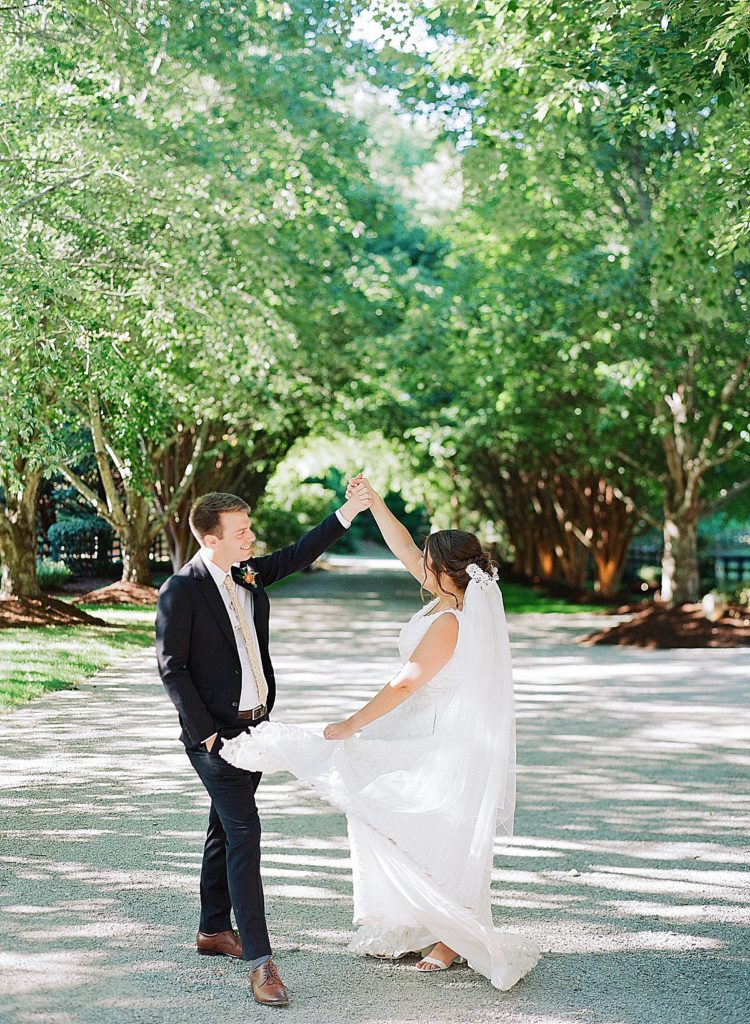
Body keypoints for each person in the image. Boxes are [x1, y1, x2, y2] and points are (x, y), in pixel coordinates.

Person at [221, 477, 540, 990]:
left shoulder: (452, 622)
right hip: (418, 727)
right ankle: (428, 920)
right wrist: (373, 503)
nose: (420, 565)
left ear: (445, 572)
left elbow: (406, 683)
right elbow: (406, 547)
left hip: (441, 735)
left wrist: (350, 724)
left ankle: (453, 933)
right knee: (396, 822)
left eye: (429, 562)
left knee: (435, 827)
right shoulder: (445, 594)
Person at [155, 487, 371, 1007]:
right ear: (211, 540)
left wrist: (350, 511)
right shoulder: (180, 591)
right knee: (245, 831)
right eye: (241, 531)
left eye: (249, 527)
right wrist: (207, 734)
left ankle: (212, 930)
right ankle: (260, 962)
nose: (251, 536)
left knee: (222, 829)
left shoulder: (247, 571)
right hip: (216, 740)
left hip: (256, 729)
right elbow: (172, 668)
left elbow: (297, 554)